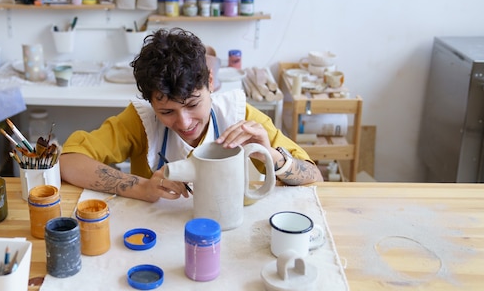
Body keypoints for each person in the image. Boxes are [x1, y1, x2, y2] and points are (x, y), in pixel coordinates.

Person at [59, 28, 323, 202]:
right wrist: (141, 187)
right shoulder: (139, 121)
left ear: (210, 82)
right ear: (150, 102)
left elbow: (315, 177)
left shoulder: (238, 115)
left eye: (193, 104)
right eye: (166, 111)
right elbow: (68, 162)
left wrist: (272, 156)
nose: (184, 122)